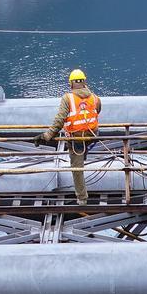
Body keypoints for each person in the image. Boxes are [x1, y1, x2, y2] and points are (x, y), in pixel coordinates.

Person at [38, 68, 100, 205]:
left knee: (77, 168)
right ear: (84, 82)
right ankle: (84, 153)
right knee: (83, 148)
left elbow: (59, 120)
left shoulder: (68, 98)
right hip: (92, 135)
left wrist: (48, 135)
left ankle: (82, 198)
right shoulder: (95, 98)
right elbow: (97, 111)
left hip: (77, 138)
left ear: (71, 83)